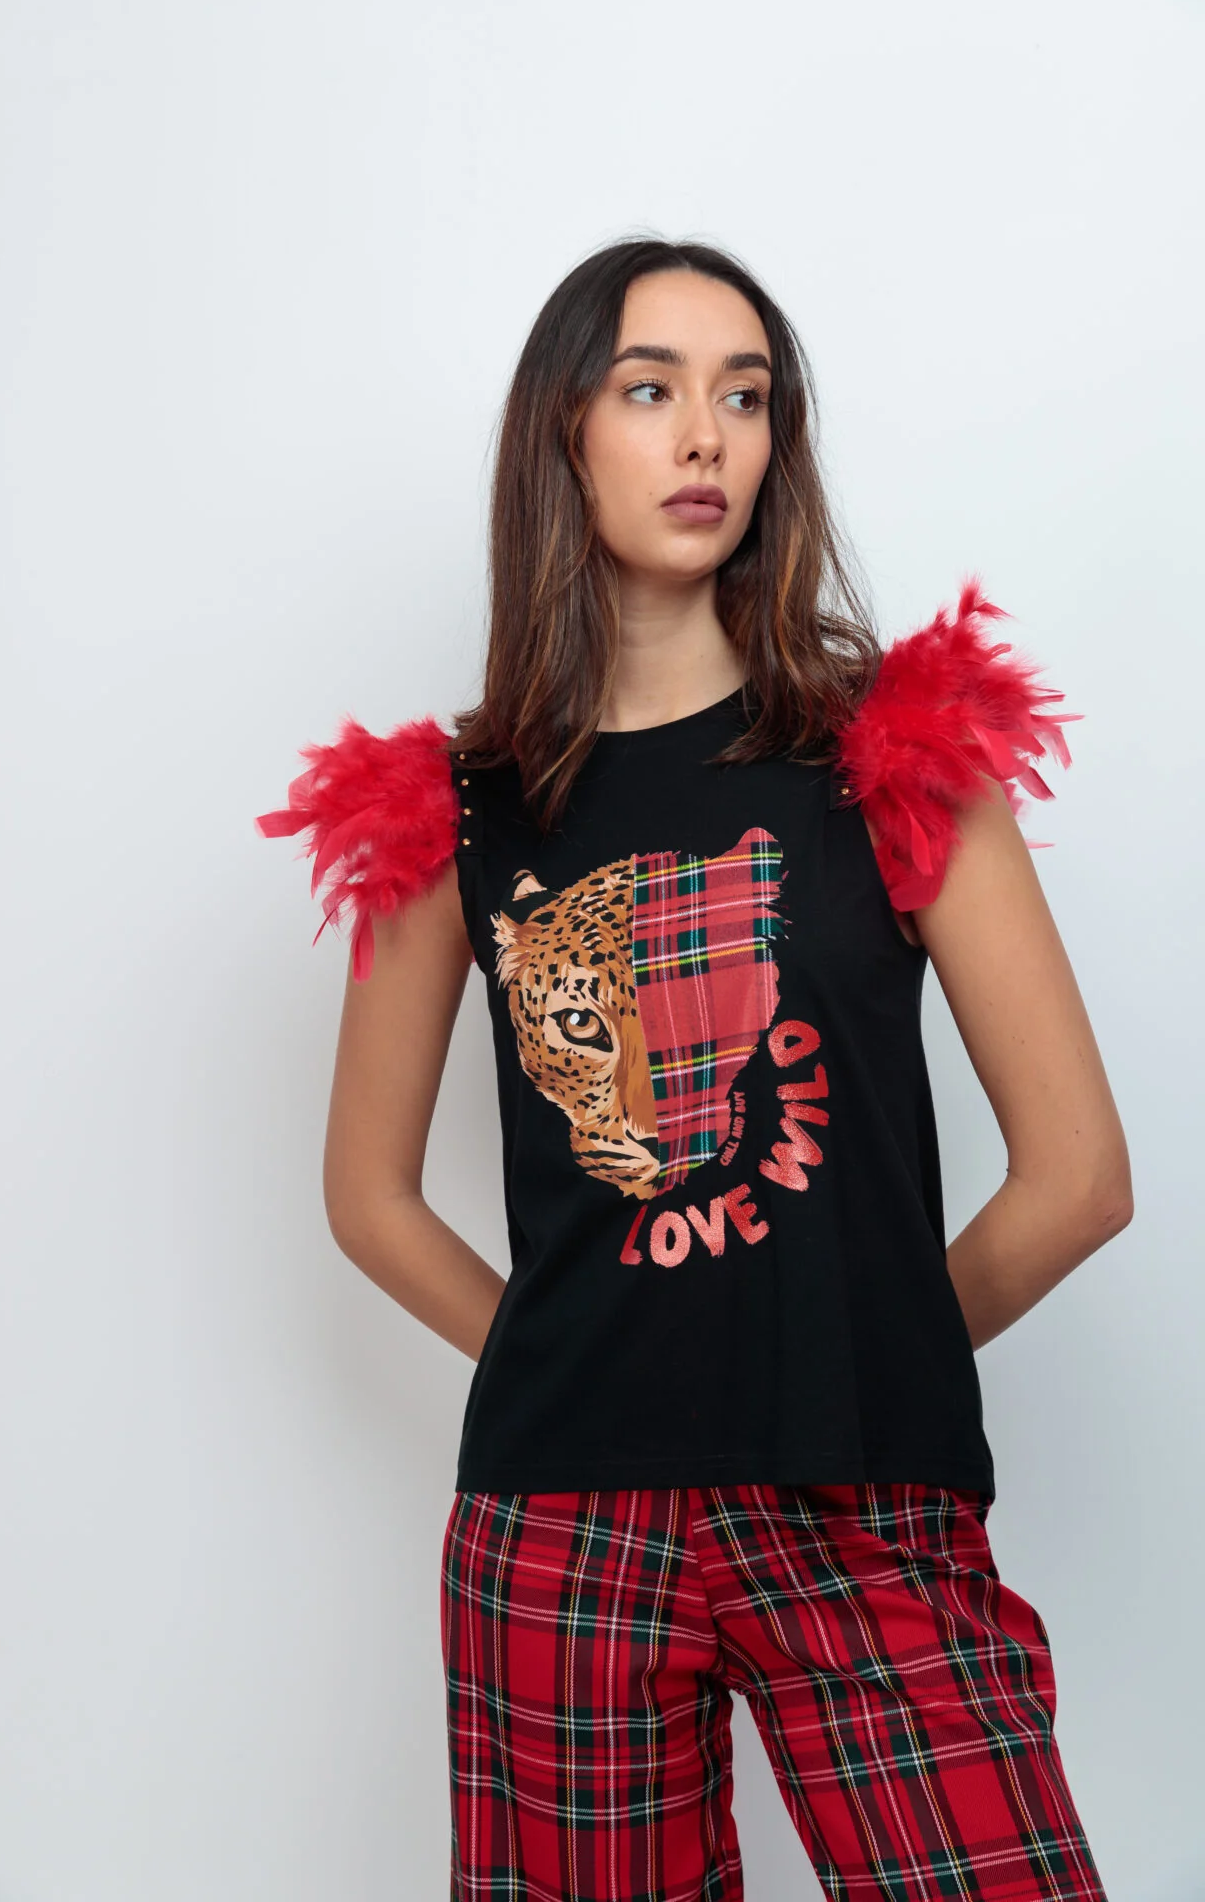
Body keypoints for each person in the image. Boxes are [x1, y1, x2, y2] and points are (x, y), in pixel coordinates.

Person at [257, 237, 1131, 1901]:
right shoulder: (447, 811)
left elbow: (1081, 1178)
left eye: (746, 395)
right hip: (563, 1526)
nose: (706, 435)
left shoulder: (898, 754)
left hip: (862, 1493)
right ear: (564, 433)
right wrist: (591, 1357)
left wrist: (852, 1346)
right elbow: (367, 1199)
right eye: (650, 388)